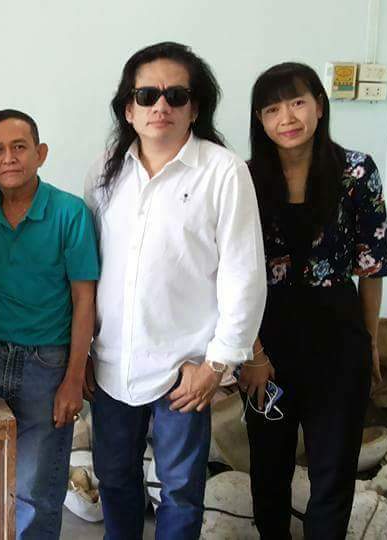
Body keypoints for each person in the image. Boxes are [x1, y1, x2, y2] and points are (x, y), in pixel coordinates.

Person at [82, 42, 266, 539]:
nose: (160, 106)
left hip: (184, 370)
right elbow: (87, 268)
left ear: (195, 107)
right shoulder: (105, 171)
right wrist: (82, 351)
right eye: (146, 95)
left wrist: (217, 365)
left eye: (176, 95)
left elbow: (244, 275)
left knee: (181, 491)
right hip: (111, 363)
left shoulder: (223, 172)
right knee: (114, 479)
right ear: (128, 108)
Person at [238, 62, 387, 539]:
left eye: (298, 102)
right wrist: (252, 354)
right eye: (272, 109)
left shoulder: (357, 171)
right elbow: (231, 274)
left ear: (320, 107)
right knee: (268, 467)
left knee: (333, 469)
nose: (287, 117)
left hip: (338, 336)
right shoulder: (244, 179)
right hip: (267, 340)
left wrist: (369, 339)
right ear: (260, 120)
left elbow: (371, 264)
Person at [0, 108, 99, 539]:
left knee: (37, 488)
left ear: (40, 153)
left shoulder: (69, 214)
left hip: (47, 366)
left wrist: (73, 378)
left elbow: (84, 300)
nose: (9, 158)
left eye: (19, 147)